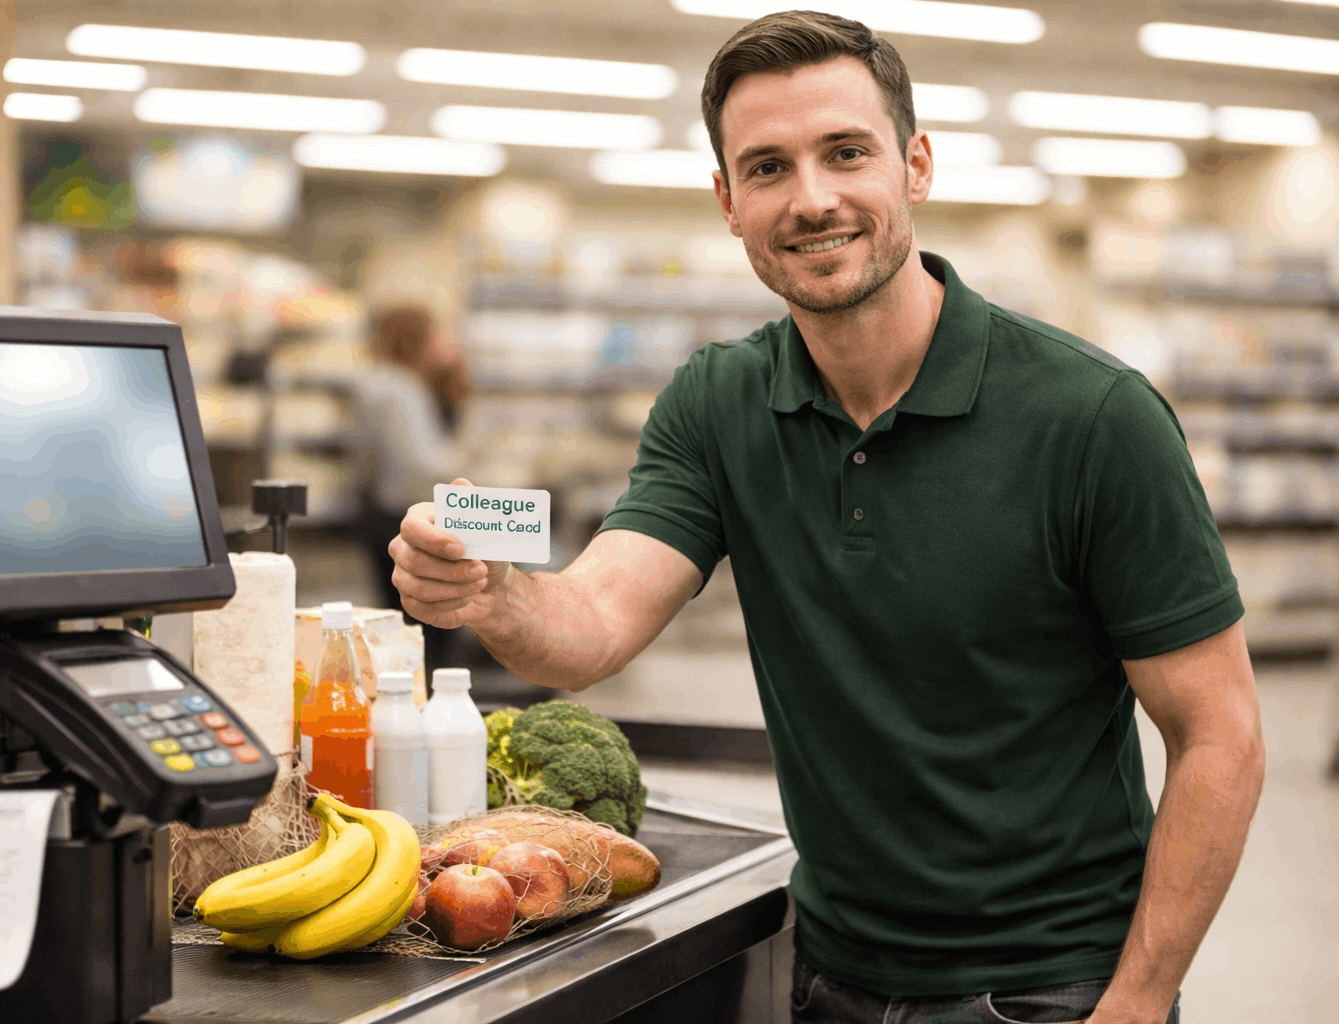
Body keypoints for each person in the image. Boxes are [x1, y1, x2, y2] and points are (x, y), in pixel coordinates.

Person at [389, 11, 1263, 1024]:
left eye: (846, 153)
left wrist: (1140, 999)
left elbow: (1221, 734)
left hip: (1049, 988)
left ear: (915, 167)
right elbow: (589, 628)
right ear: (727, 201)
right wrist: (494, 595)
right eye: (767, 167)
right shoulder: (717, 403)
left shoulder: (1095, 419)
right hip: (829, 976)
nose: (812, 199)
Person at [350, 306, 465, 666]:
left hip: (380, 511)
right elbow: (426, 463)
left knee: (401, 620)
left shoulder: (378, 383)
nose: (444, 342)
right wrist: (470, 462)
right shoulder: (398, 390)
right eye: (436, 333)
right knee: (429, 627)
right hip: (409, 513)